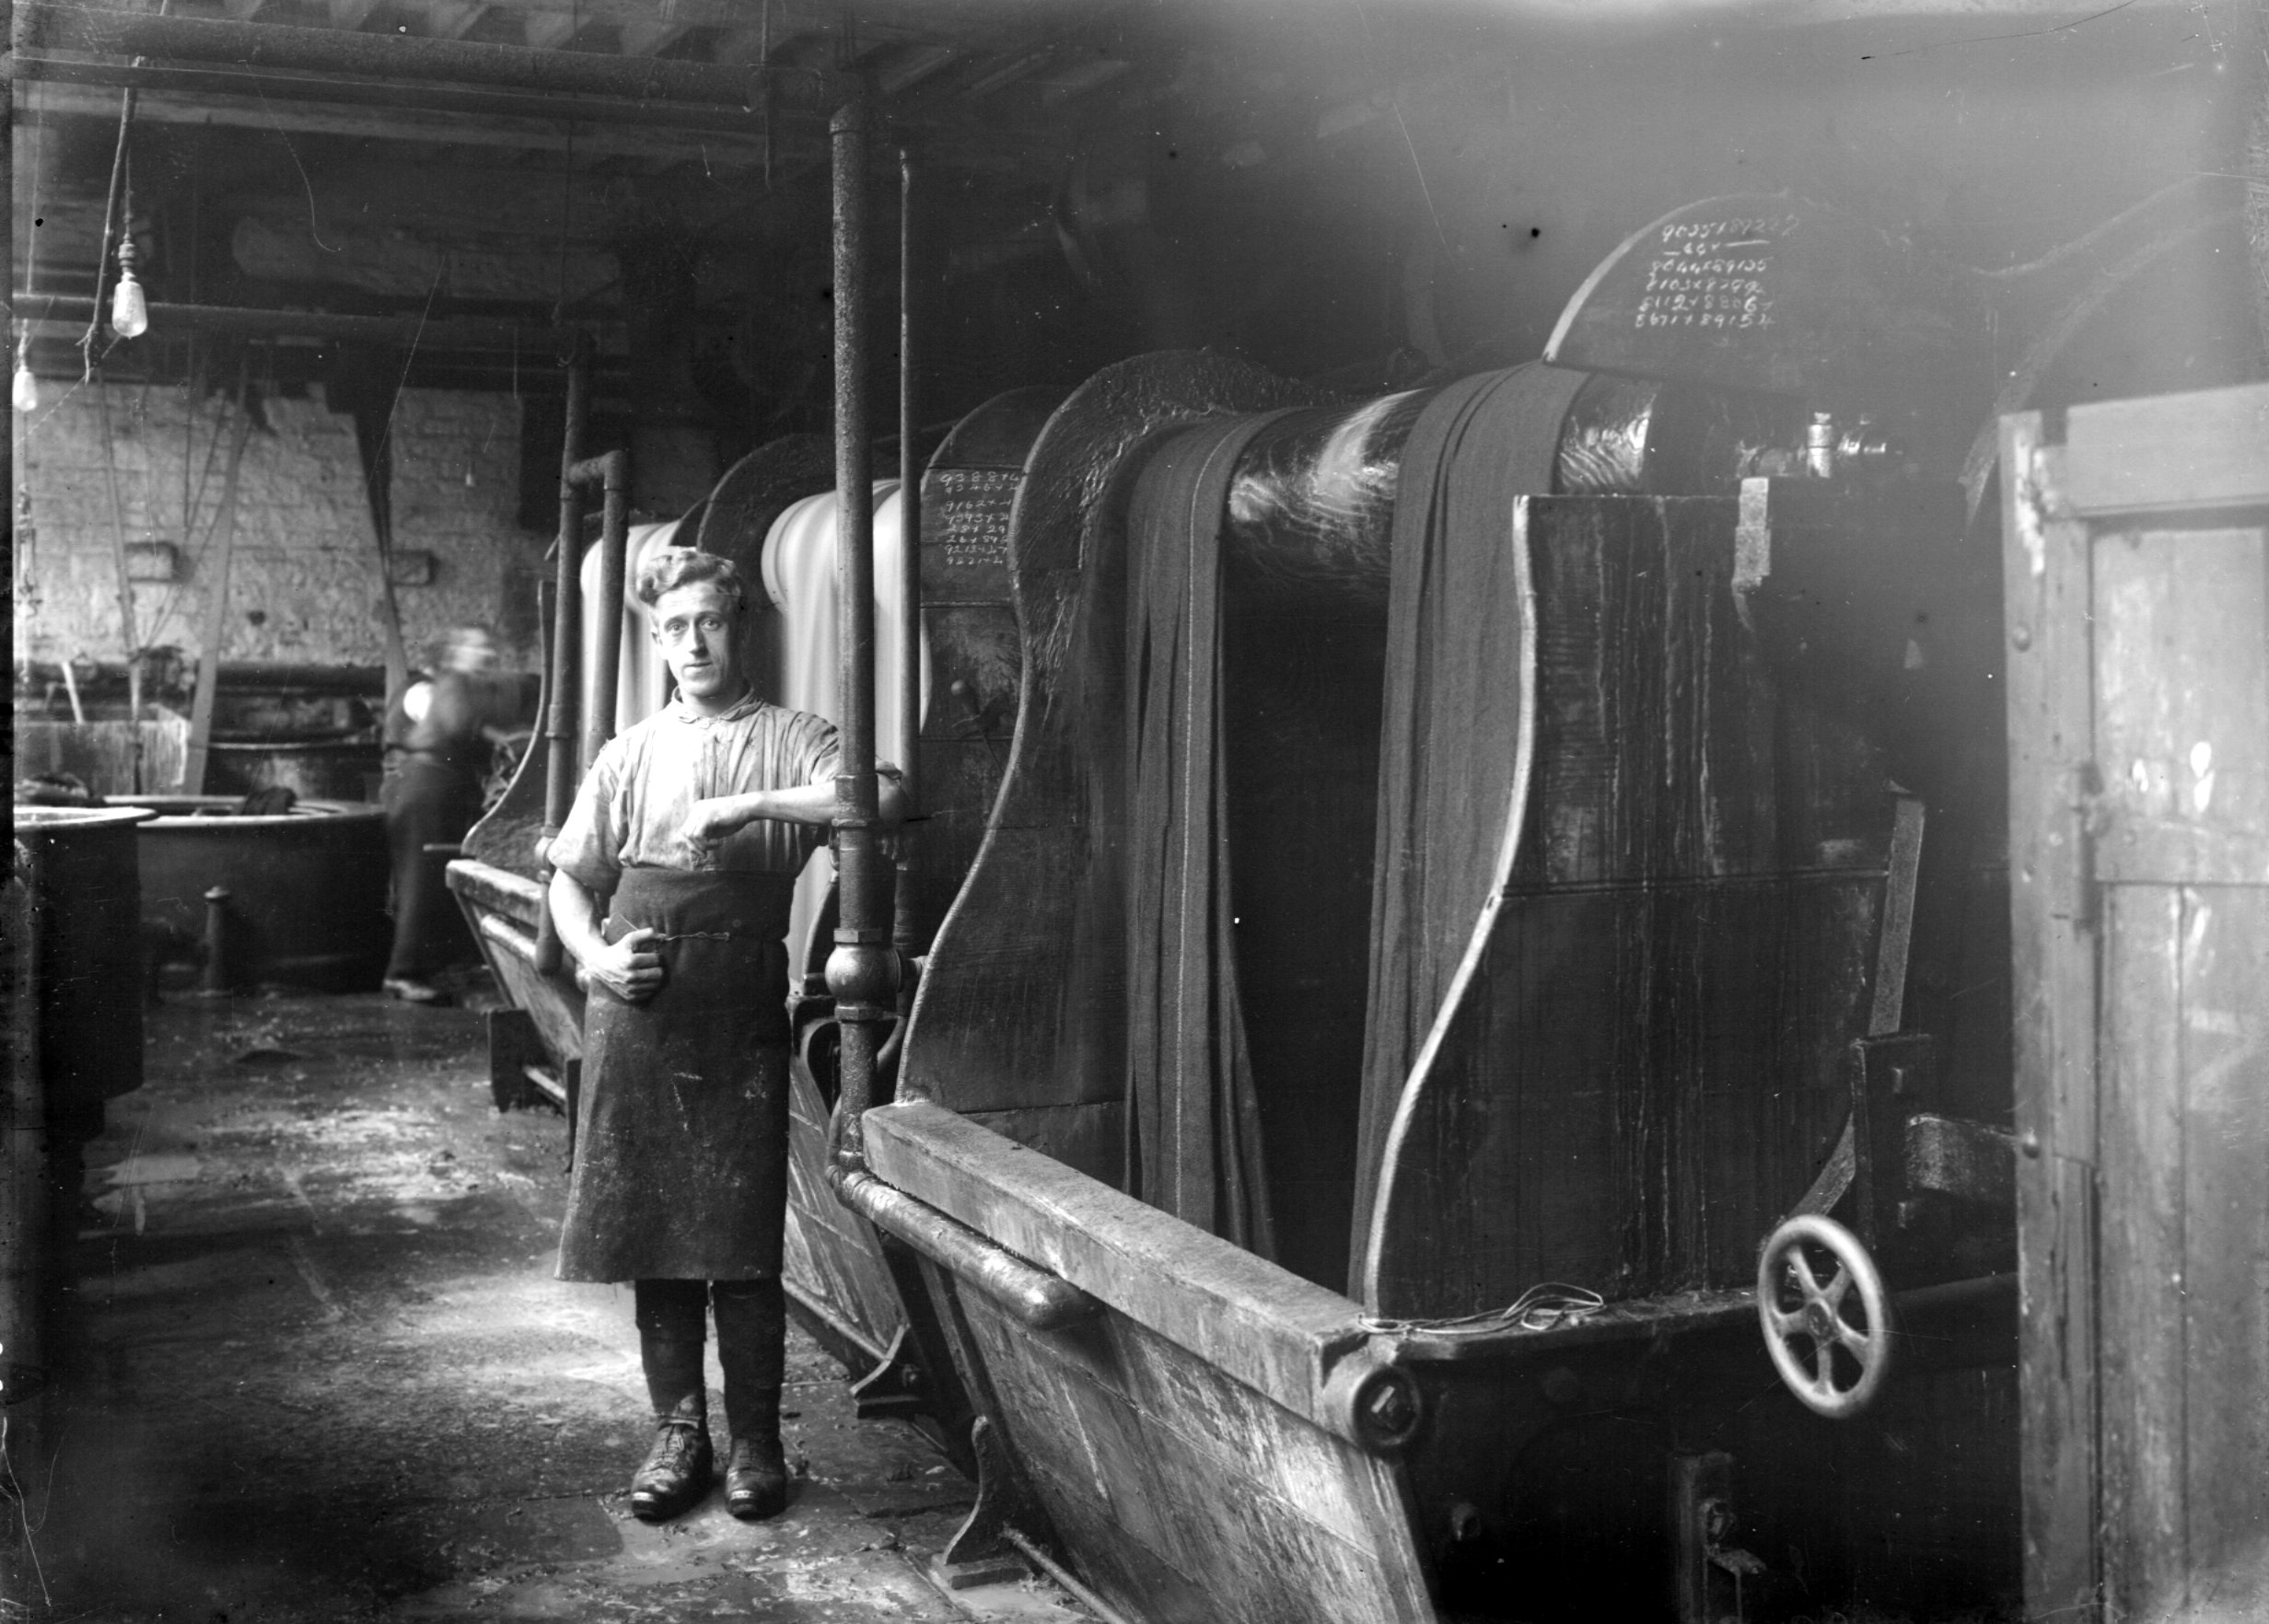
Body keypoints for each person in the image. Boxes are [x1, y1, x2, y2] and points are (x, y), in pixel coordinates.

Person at [543, 549, 904, 1524]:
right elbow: (570, 879)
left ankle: (755, 1442)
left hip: (740, 1007)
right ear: (656, 641)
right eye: (673, 628)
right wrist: (594, 961)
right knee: (656, 1235)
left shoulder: (795, 737)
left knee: (742, 1242)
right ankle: (678, 1436)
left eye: (708, 622)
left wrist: (748, 804)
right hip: (641, 1007)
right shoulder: (627, 753)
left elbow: (880, 797)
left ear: (739, 628)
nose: (691, 643)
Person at [381, 625, 512, 1003]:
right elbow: (453, 724)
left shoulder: (459, 687)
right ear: (453, 654)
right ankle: (402, 974)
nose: (487, 656)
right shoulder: (438, 687)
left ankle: (432, 965)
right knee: (419, 881)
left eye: (490, 649)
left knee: (434, 878)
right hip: (425, 785)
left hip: (439, 785)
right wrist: (498, 734)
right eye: (477, 648)